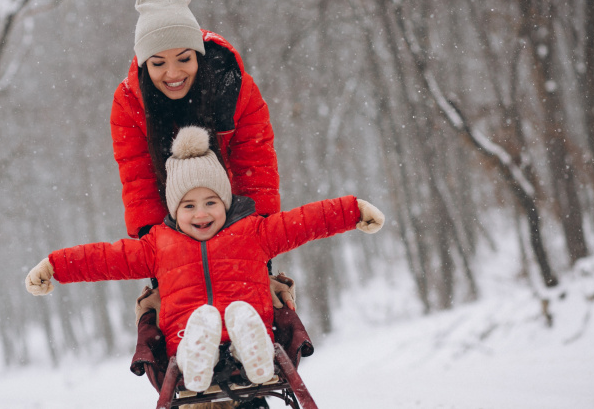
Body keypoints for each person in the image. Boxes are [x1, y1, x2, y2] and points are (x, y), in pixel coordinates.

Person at [25, 126, 385, 394]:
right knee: (199, 327)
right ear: (174, 210)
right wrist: (56, 266)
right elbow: (104, 259)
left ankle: (255, 358)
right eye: (189, 205)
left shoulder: (252, 232)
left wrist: (352, 211)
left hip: (249, 329)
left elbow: (305, 221)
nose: (201, 213)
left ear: (226, 203)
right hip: (187, 337)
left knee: (244, 321)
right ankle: (194, 365)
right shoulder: (158, 245)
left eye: (211, 202)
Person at [112, 0, 295, 325]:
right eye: (157, 63)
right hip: (174, 224)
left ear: (198, 53)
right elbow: (139, 188)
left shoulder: (235, 88)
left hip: (232, 217)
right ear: (143, 65)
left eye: (183, 58)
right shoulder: (129, 104)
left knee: (249, 298)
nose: (173, 73)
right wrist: (160, 276)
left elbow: (257, 176)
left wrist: (261, 263)